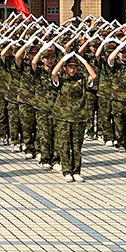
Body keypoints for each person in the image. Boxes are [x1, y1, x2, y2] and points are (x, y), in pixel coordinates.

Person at [51, 53, 97, 183]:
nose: (72, 70)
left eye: (74, 67)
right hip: (63, 117)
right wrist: (63, 59)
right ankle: (66, 171)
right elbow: (53, 73)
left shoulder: (82, 78)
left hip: (79, 117)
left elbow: (93, 76)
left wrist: (84, 61)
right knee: (64, 145)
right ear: (65, 68)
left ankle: (76, 171)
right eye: (69, 67)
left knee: (77, 147)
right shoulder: (62, 79)